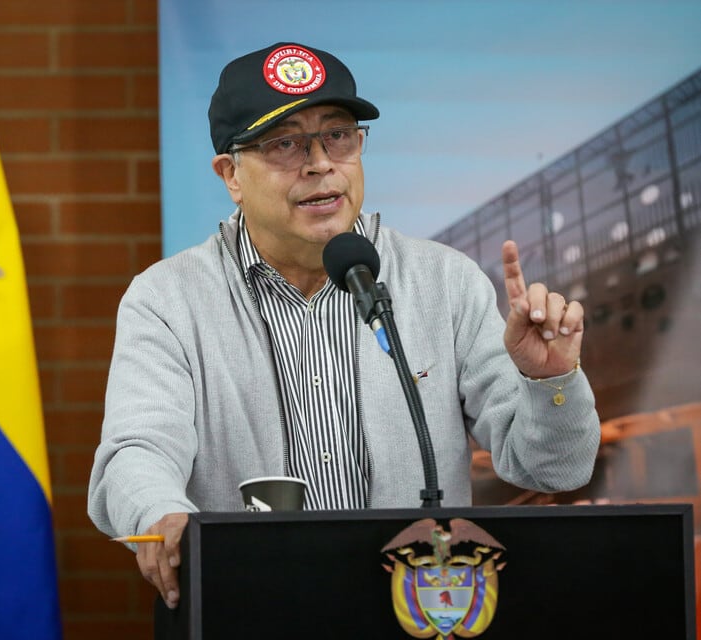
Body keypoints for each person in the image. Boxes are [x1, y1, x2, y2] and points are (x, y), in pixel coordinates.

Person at [88, 42, 600, 611]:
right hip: (256, 608)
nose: (320, 163)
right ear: (231, 174)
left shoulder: (445, 281)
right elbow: (136, 451)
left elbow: (553, 468)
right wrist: (162, 514)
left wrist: (550, 383)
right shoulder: (168, 298)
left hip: (417, 611)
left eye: (339, 135)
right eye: (284, 143)